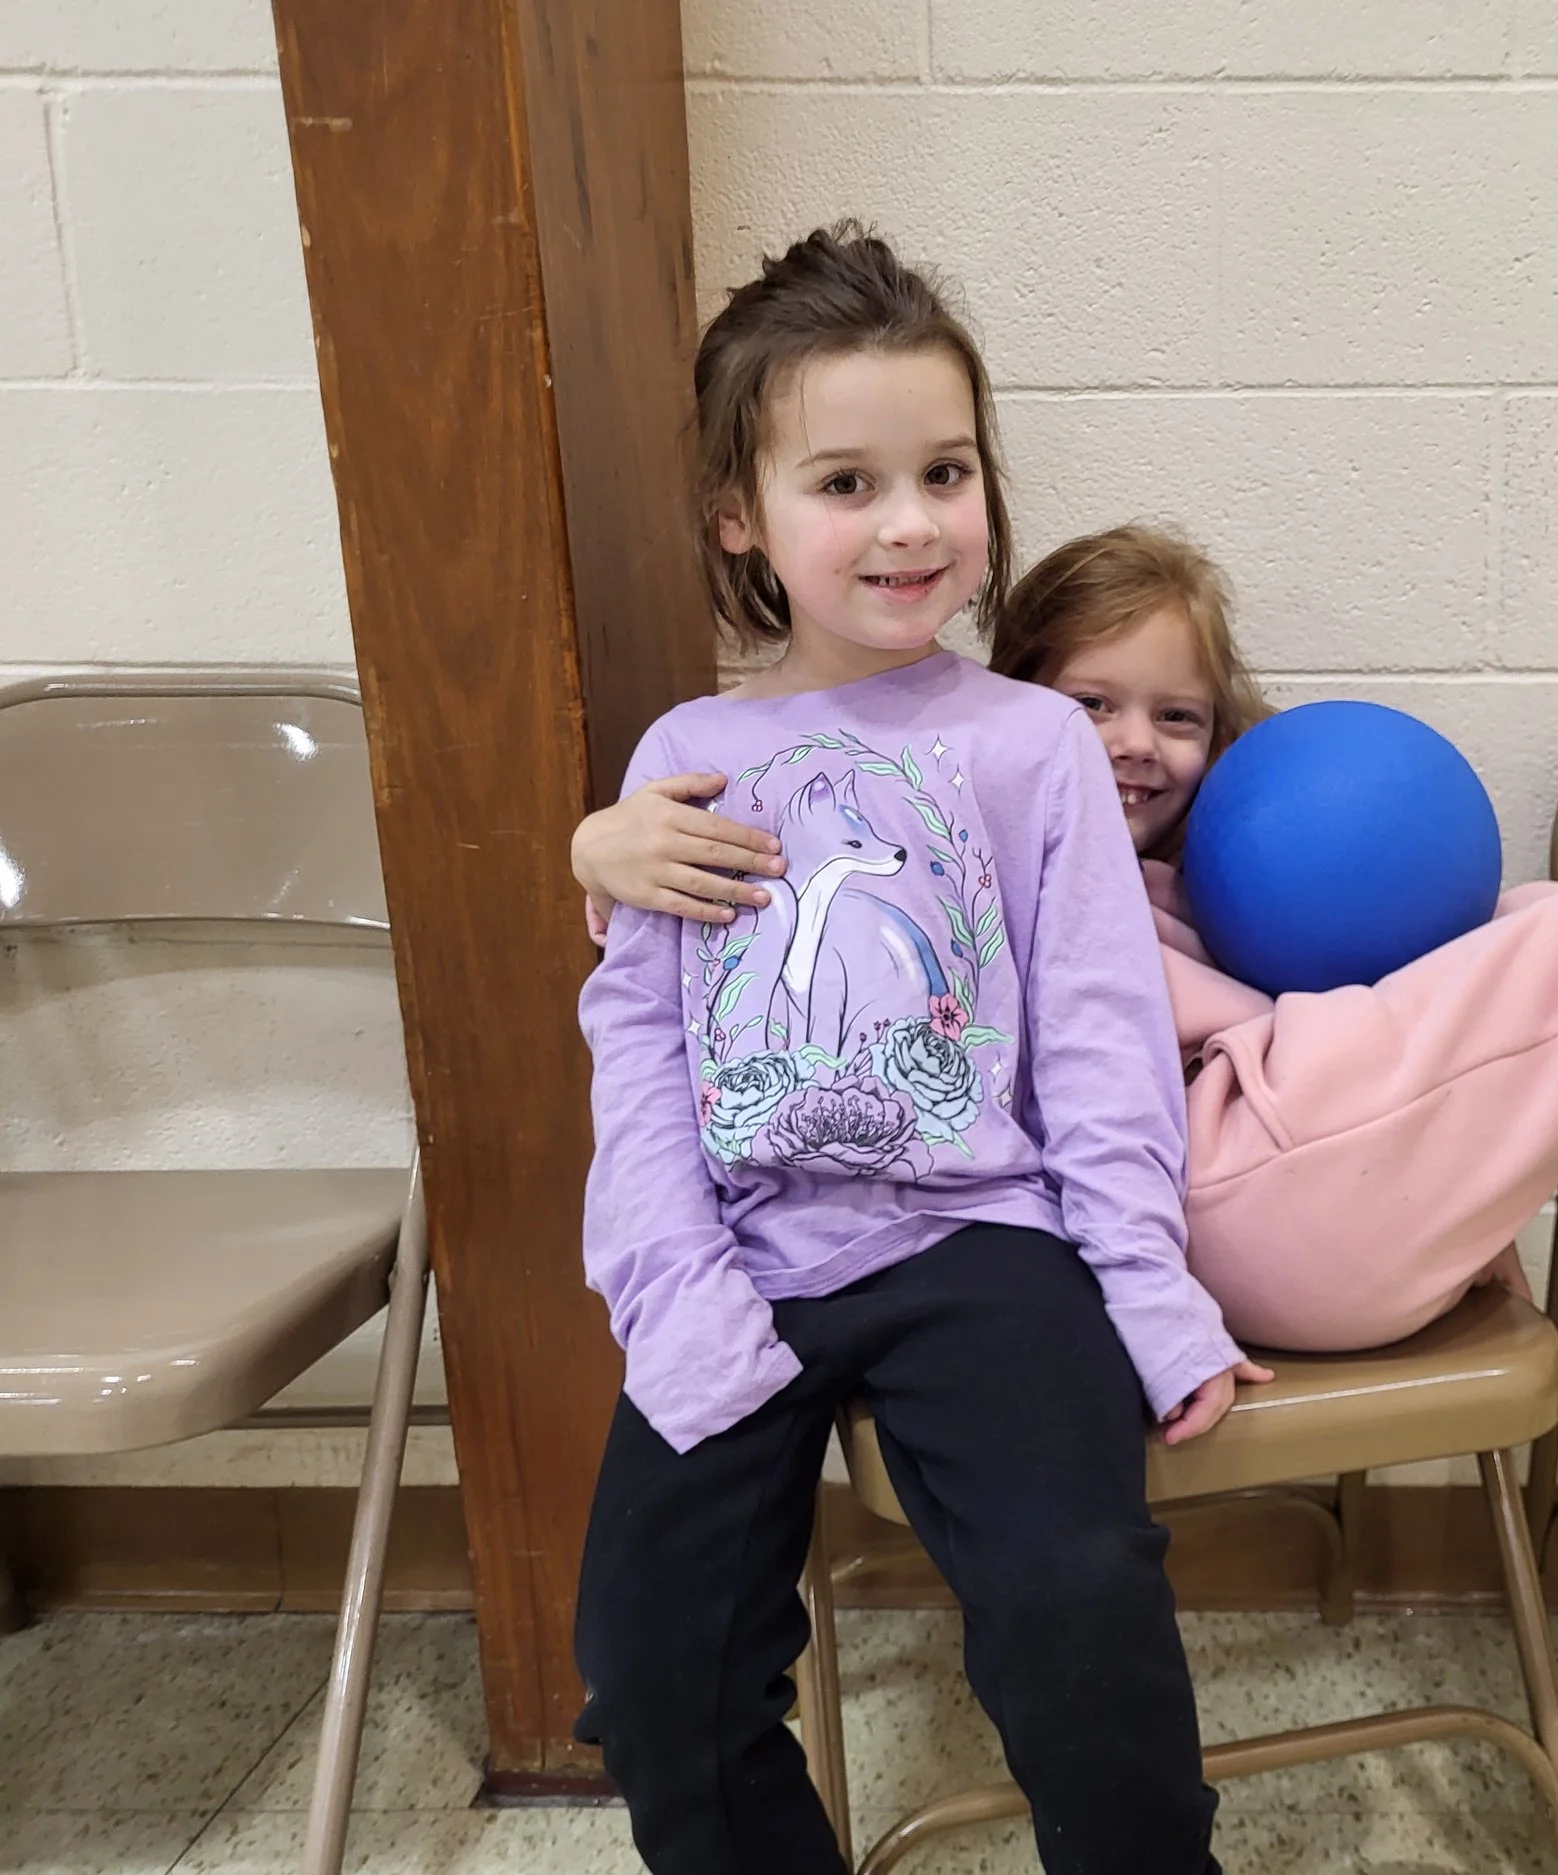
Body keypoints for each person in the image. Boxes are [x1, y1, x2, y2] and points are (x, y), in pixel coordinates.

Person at [578, 523, 1558, 1374]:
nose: (1130, 745)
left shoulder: (1211, 874)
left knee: (1547, 923)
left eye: (1178, 714)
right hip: (1209, 1205)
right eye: (1090, 706)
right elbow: (795, 879)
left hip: (1277, 1154)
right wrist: (594, 855)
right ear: (1010, 713)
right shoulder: (985, 830)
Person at [572, 233, 1251, 1875]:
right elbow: (644, 1051)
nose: (907, 522)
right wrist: (676, 1293)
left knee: (1077, 1591)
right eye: (846, 480)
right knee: (652, 1663)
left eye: (944, 472)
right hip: (742, 1258)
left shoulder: (1029, 744)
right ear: (743, 515)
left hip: (979, 1243)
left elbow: (1100, 1036)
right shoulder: (690, 757)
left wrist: (1149, 1296)